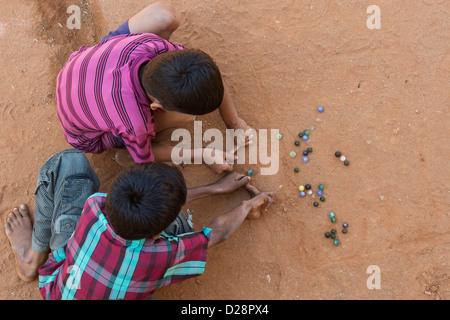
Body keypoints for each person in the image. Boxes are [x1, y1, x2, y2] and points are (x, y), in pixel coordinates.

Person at [4, 149, 274, 300]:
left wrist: (215, 189)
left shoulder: (96, 206)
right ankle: (30, 259)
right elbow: (217, 233)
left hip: (58, 290)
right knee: (182, 225)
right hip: (127, 268)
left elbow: (154, 212)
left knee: (69, 161)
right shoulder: (159, 255)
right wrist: (246, 205)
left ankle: (34, 254)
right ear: (158, 234)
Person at [56, 1, 253, 174]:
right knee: (183, 116)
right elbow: (146, 155)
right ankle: (127, 154)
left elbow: (210, 74)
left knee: (164, 15)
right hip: (87, 135)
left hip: (90, 66)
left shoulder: (149, 45)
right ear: (156, 107)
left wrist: (235, 123)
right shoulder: (134, 120)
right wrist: (204, 155)